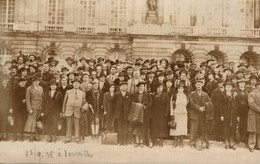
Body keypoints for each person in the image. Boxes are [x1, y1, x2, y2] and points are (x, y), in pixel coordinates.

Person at [62, 78, 87, 144]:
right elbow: (64, 102)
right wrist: (63, 111)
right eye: (75, 83)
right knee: (69, 125)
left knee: (77, 125)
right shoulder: (68, 92)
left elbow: (84, 102)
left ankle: (77, 138)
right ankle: (68, 138)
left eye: (77, 84)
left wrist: (83, 108)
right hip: (69, 110)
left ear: (79, 85)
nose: (76, 85)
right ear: (72, 84)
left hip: (78, 111)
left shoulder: (82, 93)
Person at [189, 80, 211, 149]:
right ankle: (192, 143)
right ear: (195, 86)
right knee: (193, 130)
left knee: (203, 129)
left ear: (202, 85)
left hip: (203, 115)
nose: (198, 86)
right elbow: (191, 104)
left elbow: (208, 103)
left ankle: (204, 143)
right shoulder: (192, 94)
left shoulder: (205, 94)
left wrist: (205, 107)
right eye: (197, 84)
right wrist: (199, 108)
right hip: (194, 114)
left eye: (200, 84)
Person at [130, 81, 152, 148]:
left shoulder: (147, 94)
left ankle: (141, 142)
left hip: (144, 113)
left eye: (142, 86)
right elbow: (132, 102)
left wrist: (145, 107)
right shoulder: (135, 94)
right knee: (137, 126)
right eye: (140, 86)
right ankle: (137, 142)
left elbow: (151, 103)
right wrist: (137, 105)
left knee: (142, 127)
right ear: (138, 87)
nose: (141, 88)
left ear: (144, 87)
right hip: (137, 113)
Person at [24, 75, 44, 142]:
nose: (36, 82)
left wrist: (43, 108)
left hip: (40, 107)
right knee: (32, 122)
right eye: (34, 81)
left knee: (37, 122)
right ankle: (31, 136)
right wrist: (29, 109)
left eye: (37, 81)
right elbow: (28, 100)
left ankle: (36, 135)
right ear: (32, 82)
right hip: (33, 107)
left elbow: (42, 98)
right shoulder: (29, 89)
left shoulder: (41, 88)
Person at [113, 81, 132, 146]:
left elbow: (131, 105)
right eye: (122, 86)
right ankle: (120, 141)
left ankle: (125, 141)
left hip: (126, 114)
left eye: (125, 86)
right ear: (120, 87)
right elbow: (114, 104)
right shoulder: (116, 94)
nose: (124, 87)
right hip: (119, 114)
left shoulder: (130, 94)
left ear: (127, 87)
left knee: (125, 127)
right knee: (119, 127)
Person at [150, 83, 169, 147]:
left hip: (163, 113)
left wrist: (166, 112)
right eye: (158, 88)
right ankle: (154, 140)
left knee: (162, 126)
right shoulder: (153, 95)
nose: (159, 89)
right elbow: (151, 104)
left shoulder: (165, 95)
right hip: (155, 114)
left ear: (162, 88)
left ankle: (161, 140)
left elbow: (167, 105)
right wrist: (151, 113)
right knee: (155, 126)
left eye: (161, 87)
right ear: (156, 88)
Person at [220, 82, 237, 150]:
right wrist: (221, 115)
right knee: (226, 127)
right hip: (225, 113)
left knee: (232, 127)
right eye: (227, 86)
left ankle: (231, 141)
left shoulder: (234, 95)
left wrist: (237, 115)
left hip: (233, 113)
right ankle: (226, 141)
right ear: (225, 87)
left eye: (230, 87)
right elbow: (220, 106)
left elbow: (236, 105)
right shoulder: (222, 95)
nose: (228, 88)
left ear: (232, 88)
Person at [234, 78, 249, 143]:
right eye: (240, 83)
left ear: (245, 84)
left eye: (243, 83)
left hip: (246, 111)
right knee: (239, 124)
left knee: (245, 124)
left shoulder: (247, 91)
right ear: (238, 84)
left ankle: (244, 138)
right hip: (238, 111)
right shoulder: (235, 91)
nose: (242, 84)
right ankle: (238, 138)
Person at [247, 81, 260, 152]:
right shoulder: (251, 94)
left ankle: (259, 145)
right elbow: (251, 104)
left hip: (258, 114)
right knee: (253, 130)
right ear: (257, 86)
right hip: (253, 114)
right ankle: (251, 145)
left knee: (259, 130)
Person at [0, 74, 12, 141]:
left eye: (7, 80)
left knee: (4, 121)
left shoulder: (9, 87)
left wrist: (10, 107)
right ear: (2, 80)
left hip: (6, 107)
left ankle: (4, 136)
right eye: (4, 80)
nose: (6, 81)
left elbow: (10, 98)